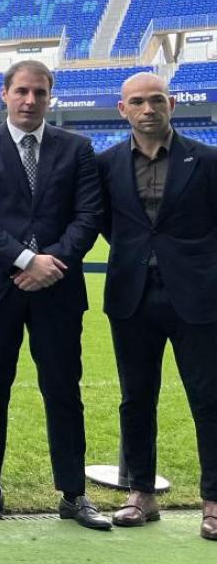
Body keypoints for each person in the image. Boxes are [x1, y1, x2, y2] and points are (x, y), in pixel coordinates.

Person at [0, 59, 107, 531]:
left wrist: (51, 264)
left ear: (50, 96)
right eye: (22, 91)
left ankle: (73, 494)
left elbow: (89, 216)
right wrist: (26, 260)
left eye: (39, 93)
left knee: (63, 391)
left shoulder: (77, 148)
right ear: (4, 93)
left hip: (57, 290)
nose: (30, 101)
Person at [96, 72, 217, 539]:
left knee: (208, 400)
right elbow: (108, 223)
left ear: (172, 104)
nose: (148, 109)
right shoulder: (106, 164)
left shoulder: (205, 160)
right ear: (123, 109)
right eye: (138, 102)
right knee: (136, 400)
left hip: (198, 297)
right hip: (133, 296)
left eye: (156, 101)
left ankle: (212, 501)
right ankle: (140, 495)